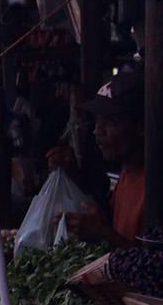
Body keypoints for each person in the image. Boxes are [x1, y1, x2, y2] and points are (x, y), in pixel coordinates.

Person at [57, 71, 144, 248]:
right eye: (98, 121)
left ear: (141, 127)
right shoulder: (127, 173)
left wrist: (102, 232)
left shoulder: (153, 186)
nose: (98, 130)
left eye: (110, 121)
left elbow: (152, 267)